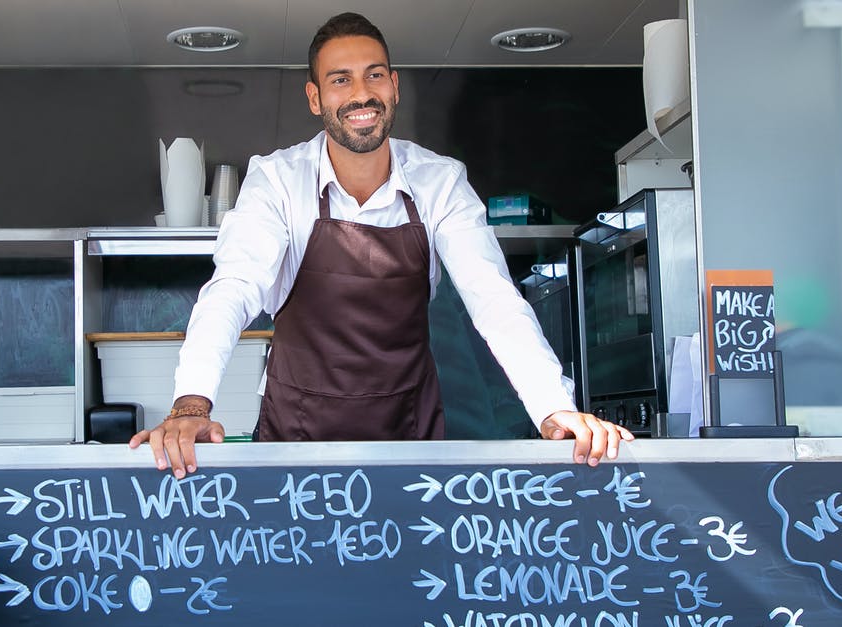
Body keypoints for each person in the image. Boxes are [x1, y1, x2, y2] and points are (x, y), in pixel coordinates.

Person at [130, 12, 633, 478]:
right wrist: (191, 404)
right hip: (296, 440)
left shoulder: (440, 183)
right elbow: (233, 289)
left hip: (410, 441)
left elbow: (494, 299)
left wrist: (553, 407)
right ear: (315, 98)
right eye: (340, 79)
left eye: (374, 75)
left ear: (394, 88)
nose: (361, 94)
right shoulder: (277, 181)